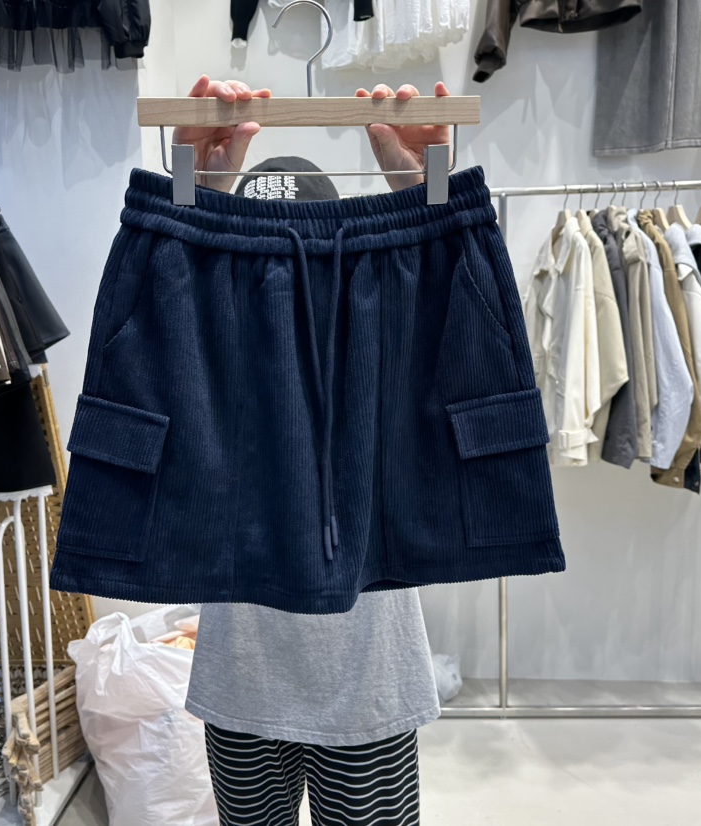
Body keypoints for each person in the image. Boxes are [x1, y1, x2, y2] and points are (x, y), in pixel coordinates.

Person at [177, 75, 453, 826]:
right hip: (244, 676)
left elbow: (443, 306)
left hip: (368, 675)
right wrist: (199, 188)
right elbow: (170, 287)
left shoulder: (378, 330)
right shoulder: (216, 341)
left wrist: (424, 187)